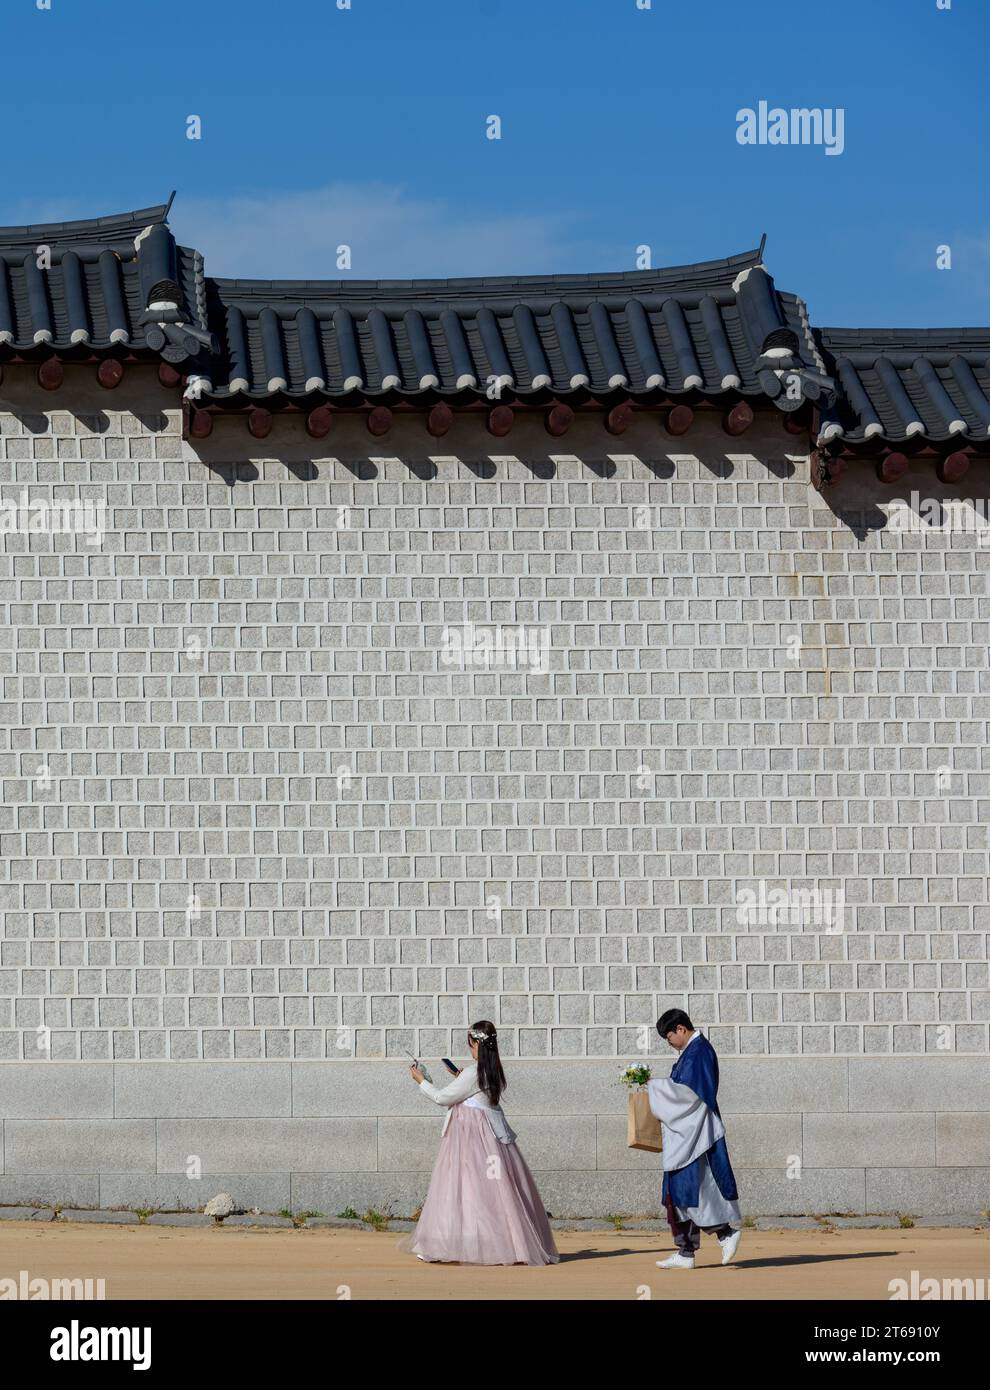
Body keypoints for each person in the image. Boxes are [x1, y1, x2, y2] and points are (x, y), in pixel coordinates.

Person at [404, 1021, 559, 1266]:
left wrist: (421, 1080)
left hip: (470, 1141)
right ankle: (509, 1245)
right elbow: (476, 1092)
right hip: (493, 1142)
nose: (470, 1049)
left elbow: (442, 1098)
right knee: (498, 1195)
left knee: (461, 1191)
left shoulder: (472, 1073)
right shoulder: (492, 1070)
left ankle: (447, 1245)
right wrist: (459, 1077)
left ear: (475, 1043)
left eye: (470, 1044)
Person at [647, 1009, 742, 1270]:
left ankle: (725, 1233)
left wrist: (653, 1086)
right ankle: (686, 1251)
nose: (669, 1042)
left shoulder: (699, 1052)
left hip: (696, 1134)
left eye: (669, 1036)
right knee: (678, 1193)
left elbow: (688, 1095)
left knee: (692, 1191)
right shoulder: (691, 1052)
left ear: (681, 1029)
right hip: (687, 1133)